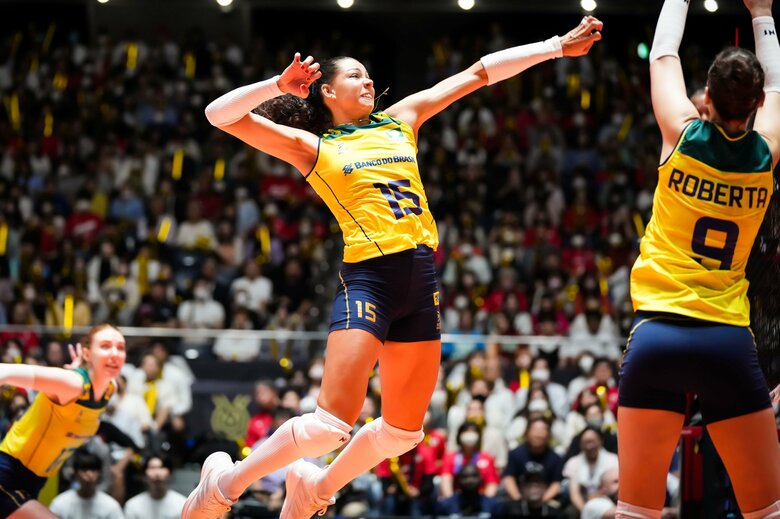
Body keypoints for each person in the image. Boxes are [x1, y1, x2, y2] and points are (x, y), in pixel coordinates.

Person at [185, 16, 602, 519]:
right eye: (355, 76)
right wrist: (276, 86)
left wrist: (556, 45)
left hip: (421, 278)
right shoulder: (315, 147)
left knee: (405, 433)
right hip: (369, 279)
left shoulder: (401, 119)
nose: (368, 82)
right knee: (327, 426)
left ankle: (316, 487)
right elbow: (217, 114)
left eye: (368, 76)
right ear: (326, 92)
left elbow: (476, 74)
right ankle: (223, 485)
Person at [618, 1, 780, 518]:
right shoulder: (766, 155)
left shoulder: (680, 133)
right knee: (765, 511)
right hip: (727, 342)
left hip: (656, 336)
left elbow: (663, 52)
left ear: (705, 97)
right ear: (754, 103)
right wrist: (763, 11)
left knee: (635, 511)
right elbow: (777, 88)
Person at [0, 324, 125, 518]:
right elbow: (4, 371)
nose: (115, 353)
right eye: (105, 346)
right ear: (87, 353)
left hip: (35, 482)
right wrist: (64, 379)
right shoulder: (71, 383)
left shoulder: (110, 389)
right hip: (7, 474)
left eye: (121, 347)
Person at [49, 447, 124, 519]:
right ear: (75, 474)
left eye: (93, 470)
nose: (89, 475)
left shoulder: (111, 505)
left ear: (100, 474)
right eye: (84, 470)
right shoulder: (60, 503)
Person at [124, 454, 187, 519]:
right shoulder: (133, 506)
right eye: (152, 468)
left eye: (162, 467)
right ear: (143, 476)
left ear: (170, 474)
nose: (157, 473)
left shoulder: (183, 505)